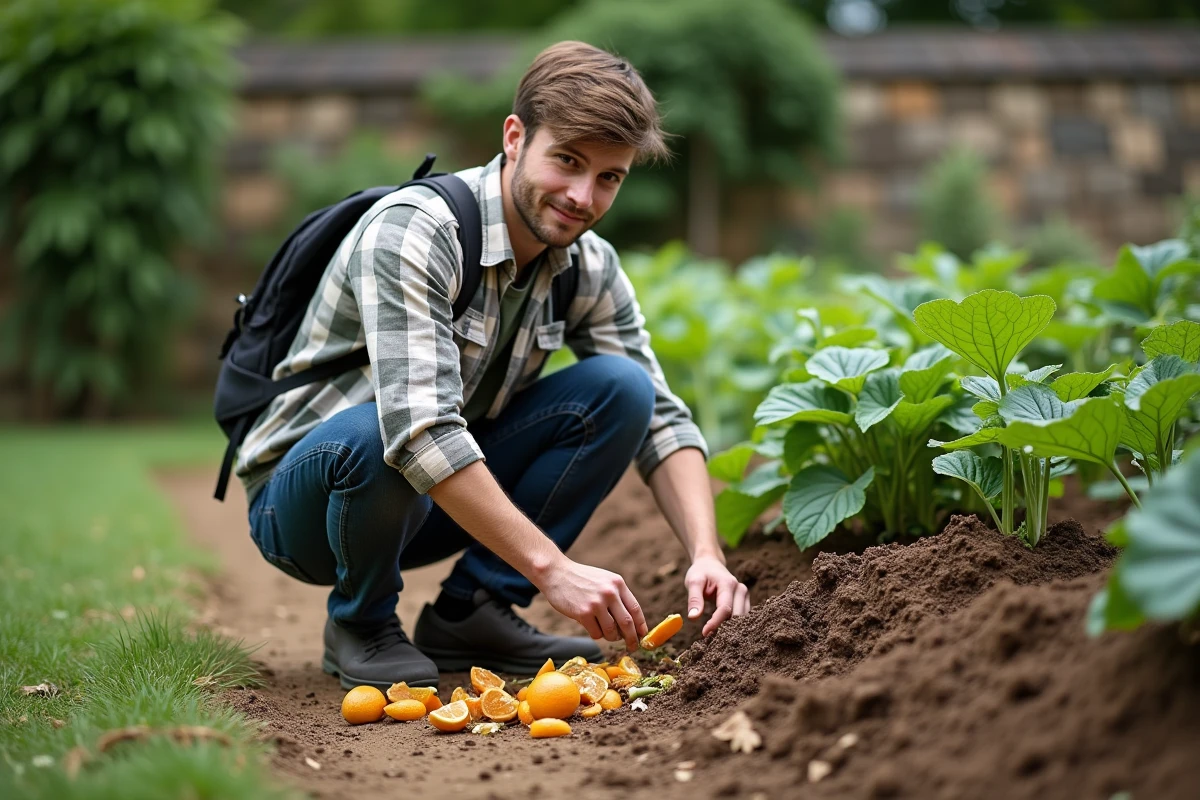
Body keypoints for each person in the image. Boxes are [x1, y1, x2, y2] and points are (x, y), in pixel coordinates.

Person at [233, 40, 750, 690]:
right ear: (515, 136)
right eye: (567, 160)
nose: (582, 197)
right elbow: (418, 431)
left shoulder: (588, 266)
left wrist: (706, 554)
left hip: (425, 502)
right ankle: (360, 622)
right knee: (375, 433)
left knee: (622, 389)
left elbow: (663, 421)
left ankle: (472, 613)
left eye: (609, 177)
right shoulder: (416, 232)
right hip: (307, 507)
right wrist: (553, 569)